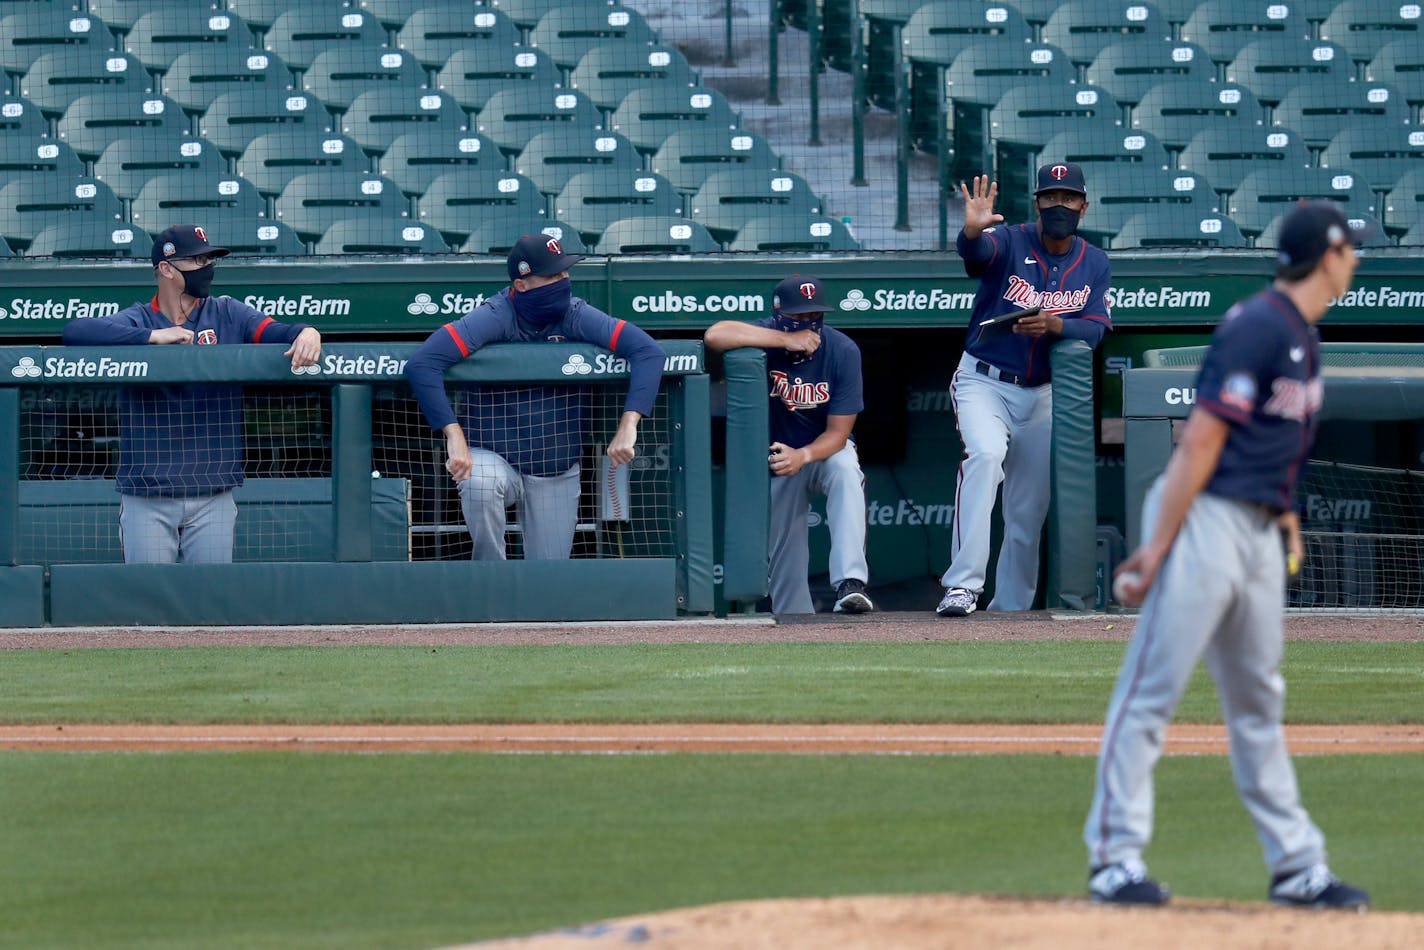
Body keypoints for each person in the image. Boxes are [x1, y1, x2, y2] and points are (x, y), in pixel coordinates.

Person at [1084, 202, 1369, 909]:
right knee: (1152, 690)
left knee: (1258, 703)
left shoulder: (1304, 335)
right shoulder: (1259, 324)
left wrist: (1288, 521)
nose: (1357, 259)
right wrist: (1156, 545)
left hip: (1260, 530)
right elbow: (1203, 439)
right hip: (1204, 518)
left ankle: (1297, 867)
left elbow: (1275, 446)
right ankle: (1114, 860)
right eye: (1351, 249)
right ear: (1327, 254)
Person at [60, 224, 323, 563]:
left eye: (208, 259)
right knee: (150, 603)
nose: (207, 268)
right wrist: (152, 339)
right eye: (197, 260)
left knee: (210, 603)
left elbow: (279, 331)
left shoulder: (227, 311)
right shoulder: (139, 320)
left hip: (212, 491)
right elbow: (76, 332)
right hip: (147, 493)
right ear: (166, 269)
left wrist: (309, 332)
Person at [404, 233, 665, 560]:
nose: (563, 280)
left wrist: (629, 424)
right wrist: (453, 435)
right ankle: (491, 579)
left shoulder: (574, 313)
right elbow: (423, 363)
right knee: (479, 481)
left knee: (549, 577)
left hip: (554, 467)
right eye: (553, 275)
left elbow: (648, 351)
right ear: (522, 284)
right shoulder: (497, 315)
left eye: (565, 273)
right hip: (494, 457)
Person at [936, 164, 1113, 618]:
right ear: (1037, 202)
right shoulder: (1011, 240)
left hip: (1044, 395)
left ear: (1083, 206)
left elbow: (1095, 329)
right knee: (986, 456)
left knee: (1028, 507)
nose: (1059, 206)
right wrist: (971, 232)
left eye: (1068, 198)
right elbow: (977, 255)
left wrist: (1056, 324)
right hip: (985, 380)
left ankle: (1010, 609)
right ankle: (962, 586)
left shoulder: (1094, 261)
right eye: (1050, 197)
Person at [704, 274, 873, 614]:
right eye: (800, 316)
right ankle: (794, 619)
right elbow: (715, 335)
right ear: (780, 313)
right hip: (777, 455)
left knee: (845, 470)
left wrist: (805, 455)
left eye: (814, 315)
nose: (809, 323)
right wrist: (785, 340)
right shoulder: (764, 334)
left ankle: (849, 583)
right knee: (785, 544)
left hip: (822, 450)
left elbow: (839, 433)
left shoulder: (842, 350)